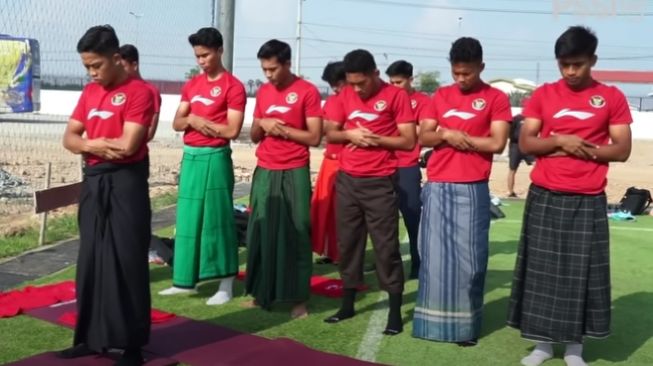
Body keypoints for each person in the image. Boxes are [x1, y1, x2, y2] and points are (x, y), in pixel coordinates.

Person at [507, 26, 632, 366]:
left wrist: (577, 150)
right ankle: (543, 345)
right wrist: (561, 142)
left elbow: (621, 150)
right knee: (541, 273)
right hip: (545, 193)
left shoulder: (611, 97)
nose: (571, 72)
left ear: (593, 60)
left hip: (588, 197)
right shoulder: (544, 95)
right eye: (564, 64)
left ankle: (575, 348)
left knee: (583, 275)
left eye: (578, 64)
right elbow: (527, 143)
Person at [58, 25, 155, 366]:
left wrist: (91, 145)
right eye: (87, 66)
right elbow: (69, 138)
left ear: (116, 58)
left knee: (127, 260)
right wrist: (93, 145)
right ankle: (88, 337)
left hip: (126, 183)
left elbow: (129, 146)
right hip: (94, 181)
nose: (92, 72)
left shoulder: (139, 92)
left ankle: (130, 346)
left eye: (97, 65)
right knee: (90, 261)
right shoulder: (89, 93)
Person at [414, 37, 511, 346]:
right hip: (438, 185)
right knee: (433, 258)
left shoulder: (496, 98)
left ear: (481, 67)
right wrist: (446, 134)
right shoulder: (440, 96)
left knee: (470, 261)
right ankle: (432, 326)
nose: (461, 79)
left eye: (467, 73)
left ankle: (465, 328)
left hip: (472, 187)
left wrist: (459, 138)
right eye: (456, 73)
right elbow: (423, 135)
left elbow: (497, 143)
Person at [323, 49, 416, 335]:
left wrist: (375, 139)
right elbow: (330, 132)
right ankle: (348, 304)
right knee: (349, 244)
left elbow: (409, 141)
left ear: (375, 74)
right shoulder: (343, 97)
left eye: (362, 82)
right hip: (348, 180)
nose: (358, 88)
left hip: (381, 181)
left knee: (386, 248)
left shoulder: (396, 96)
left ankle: (395, 312)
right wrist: (349, 135)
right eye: (352, 83)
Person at [158, 27, 246, 306]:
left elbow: (232, 129)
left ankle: (226, 284)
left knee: (218, 220)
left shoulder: (234, 86)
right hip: (191, 156)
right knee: (187, 220)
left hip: (215, 158)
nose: (201, 61)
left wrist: (198, 123)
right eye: (197, 56)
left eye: (206, 55)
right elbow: (177, 122)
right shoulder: (192, 85)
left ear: (220, 51)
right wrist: (195, 122)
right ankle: (184, 280)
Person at [245, 39, 322, 318]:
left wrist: (282, 130)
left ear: (288, 64)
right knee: (260, 231)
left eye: (273, 69)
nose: (268, 74)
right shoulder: (263, 92)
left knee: (297, 232)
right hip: (265, 168)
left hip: (294, 169)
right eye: (264, 69)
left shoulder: (307, 92)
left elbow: (314, 137)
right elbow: (254, 135)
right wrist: (262, 124)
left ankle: (298, 298)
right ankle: (259, 292)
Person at [385, 59, 430, 279]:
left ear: (411, 79)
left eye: (399, 82)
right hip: (384, 165)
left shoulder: (421, 101)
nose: (394, 86)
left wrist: (401, 127)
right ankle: (385, 263)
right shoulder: (384, 99)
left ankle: (417, 262)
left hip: (407, 166)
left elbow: (424, 131)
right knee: (383, 220)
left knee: (413, 217)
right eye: (391, 82)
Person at [311, 61, 347, 265]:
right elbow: (324, 128)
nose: (335, 87)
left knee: (344, 213)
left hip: (347, 163)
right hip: (330, 161)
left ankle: (345, 254)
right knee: (324, 210)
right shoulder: (332, 101)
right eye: (332, 83)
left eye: (338, 82)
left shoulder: (354, 100)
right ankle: (331, 251)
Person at [119, 44, 162, 142]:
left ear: (134, 65)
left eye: (123, 67)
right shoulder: (117, 91)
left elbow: (150, 132)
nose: (119, 71)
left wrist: (127, 144)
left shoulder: (151, 91)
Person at [506, 110, 535, 198]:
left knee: (537, 165)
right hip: (515, 146)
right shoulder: (517, 118)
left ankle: (534, 189)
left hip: (528, 145)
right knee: (512, 169)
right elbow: (509, 131)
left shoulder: (532, 119)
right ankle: (510, 191)